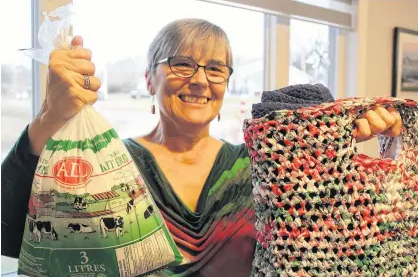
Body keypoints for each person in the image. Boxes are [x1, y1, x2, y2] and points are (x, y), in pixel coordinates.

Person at [1, 19, 402, 277]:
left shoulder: (260, 166)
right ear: (148, 80)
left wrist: (372, 144)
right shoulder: (111, 167)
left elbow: (335, 231)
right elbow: (9, 230)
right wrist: (49, 119)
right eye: (181, 64)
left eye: (215, 69)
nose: (199, 80)